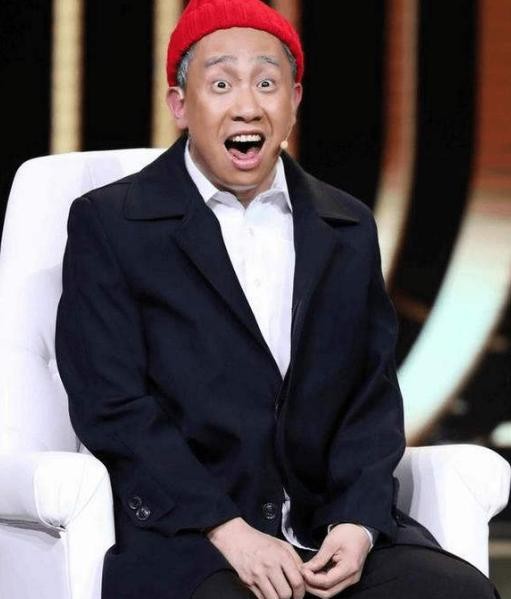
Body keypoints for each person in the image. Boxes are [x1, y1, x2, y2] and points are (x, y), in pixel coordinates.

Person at [55, 1, 501, 598]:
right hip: (190, 536)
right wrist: (228, 530)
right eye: (221, 84)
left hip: (325, 531)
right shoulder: (113, 224)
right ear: (179, 105)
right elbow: (112, 405)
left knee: (456, 591)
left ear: (294, 100)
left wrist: (359, 522)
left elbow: (370, 396)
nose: (247, 105)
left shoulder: (347, 225)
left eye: (267, 83)